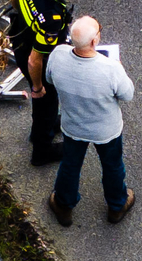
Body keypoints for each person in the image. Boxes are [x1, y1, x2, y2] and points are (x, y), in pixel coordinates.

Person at [45, 16, 136, 225]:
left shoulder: (58, 55)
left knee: (70, 165)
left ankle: (63, 204)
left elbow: (49, 79)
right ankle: (117, 205)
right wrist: (119, 67)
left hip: (72, 125)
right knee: (112, 166)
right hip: (106, 130)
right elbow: (127, 94)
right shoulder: (110, 68)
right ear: (95, 42)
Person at [7, 0, 82, 166]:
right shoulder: (52, 19)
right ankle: (42, 150)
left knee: (46, 107)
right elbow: (34, 60)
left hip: (19, 37)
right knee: (46, 102)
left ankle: (43, 129)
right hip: (34, 58)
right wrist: (38, 87)